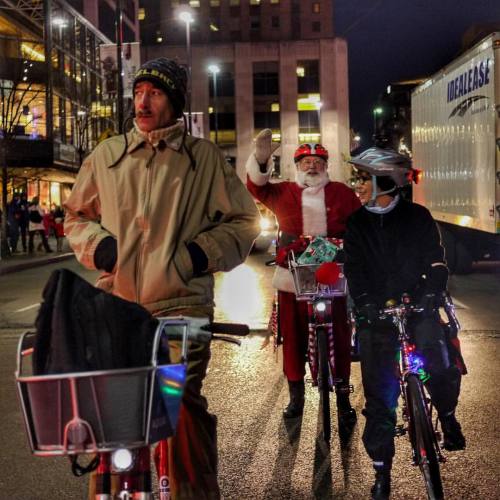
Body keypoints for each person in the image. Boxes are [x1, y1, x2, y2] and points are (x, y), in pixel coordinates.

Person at [64, 57, 259, 499]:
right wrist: (101, 248)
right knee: (111, 418)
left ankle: (194, 492)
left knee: (178, 407)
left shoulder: (202, 159)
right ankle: (109, 490)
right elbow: (75, 215)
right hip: (118, 308)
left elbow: (244, 222)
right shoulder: (107, 156)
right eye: (138, 93)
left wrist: (194, 256)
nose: (143, 101)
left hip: (181, 308)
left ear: (174, 102)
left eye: (154, 93)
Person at [343, 147, 465, 500]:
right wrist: (364, 304)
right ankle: (382, 470)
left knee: (437, 362)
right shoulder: (356, 223)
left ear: (385, 181)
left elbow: (437, 261)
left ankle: (448, 413)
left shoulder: (418, 217)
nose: (358, 186)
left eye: (363, 179)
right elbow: (355, 271)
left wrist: (431, 293)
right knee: (379, 396)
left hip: (418, 307)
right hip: (376, 315)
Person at [246, 130, 361, 425]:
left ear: (325, 166)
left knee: (340, 331)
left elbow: (361, 226)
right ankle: (295, 395)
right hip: (292, 277)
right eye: (306, 162)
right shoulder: (283, 191)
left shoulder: (342, 193)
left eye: (317, 161)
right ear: (297, 167)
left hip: (332, 275)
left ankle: (344, 396)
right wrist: (260, 160)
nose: (312, 166)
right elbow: (257, 188)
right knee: (293, 336)